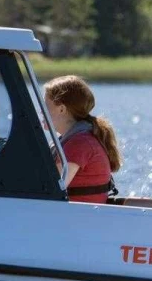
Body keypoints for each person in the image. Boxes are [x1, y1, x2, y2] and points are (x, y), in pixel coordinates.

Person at [43, 75, 122, 203]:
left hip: (79, 214)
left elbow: (50, 188)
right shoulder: (76, 138)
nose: (41, 111)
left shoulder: (79, 143)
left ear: (62, 109)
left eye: (45, 106)